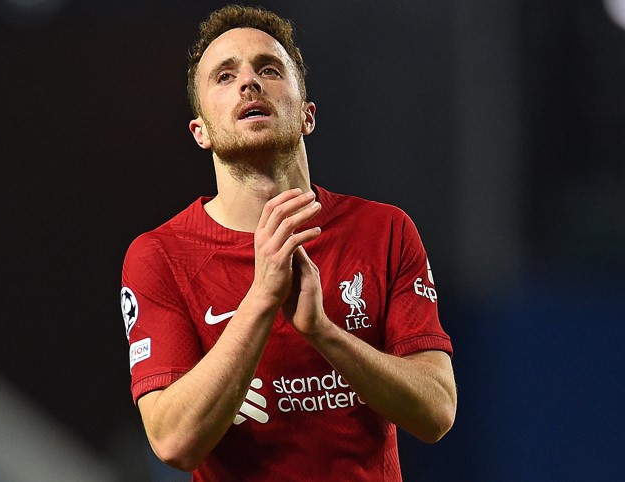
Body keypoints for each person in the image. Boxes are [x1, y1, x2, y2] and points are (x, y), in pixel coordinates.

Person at [120, 5, 457, 481]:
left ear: (306, 115)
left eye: (269, 70)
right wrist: (262, 297)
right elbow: (173, 442)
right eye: (224, 76)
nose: (248, 83)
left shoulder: (385, 230)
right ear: (200, 132)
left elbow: (437, 411)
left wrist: (323, 331)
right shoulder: (160, 255)